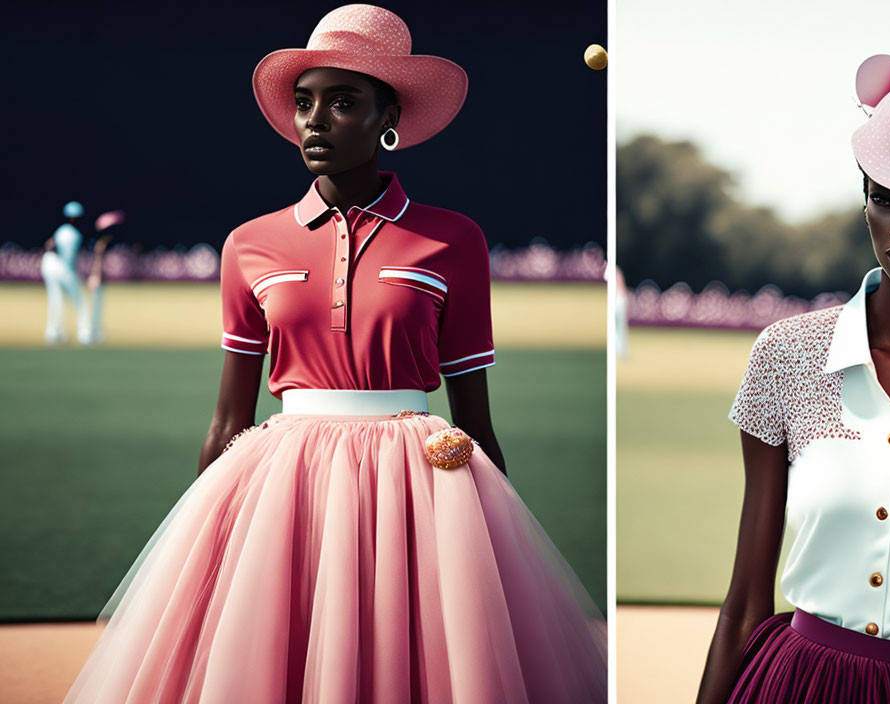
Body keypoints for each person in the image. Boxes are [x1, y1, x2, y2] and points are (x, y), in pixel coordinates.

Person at [62, 5, 607, 703]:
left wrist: (497, 553)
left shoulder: (454, 240)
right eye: (304, 103)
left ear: (390, 119)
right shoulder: (249, 244)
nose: (314, 121)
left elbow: (475, 417)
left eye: (343, 102)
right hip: (282, 477)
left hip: (418, 474)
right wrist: (202, 544)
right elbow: (229, 417)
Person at [697, 53, 890, 703]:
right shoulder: (787, 355)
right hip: (806, 684)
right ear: (863, 201)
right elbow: (746, 600)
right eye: (886, 201)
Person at [40, 200, 91, 344]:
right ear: (74, 218)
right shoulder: (73, 234)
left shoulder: (60, 230)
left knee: (55, 299)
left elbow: (48, 245)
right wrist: (77, 276)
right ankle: (85, 334)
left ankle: (53, 333)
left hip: (49, 264)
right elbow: (68, 259)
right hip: (61, 266)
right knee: (81, 300)